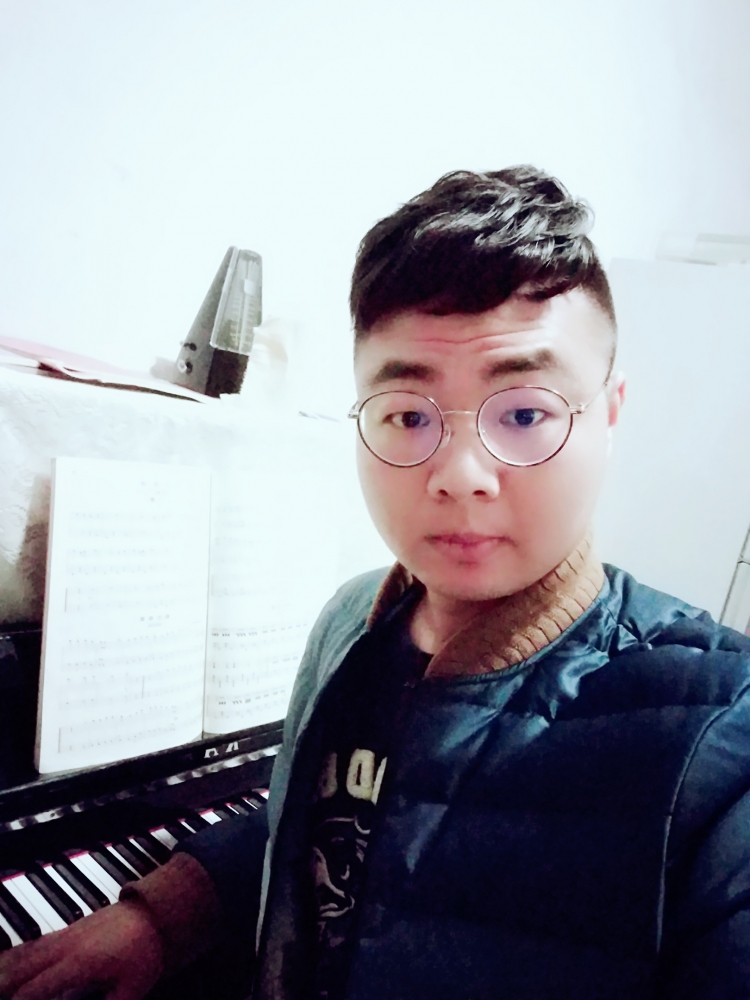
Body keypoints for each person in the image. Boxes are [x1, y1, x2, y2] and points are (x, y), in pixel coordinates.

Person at [2, 166, 750, 1000]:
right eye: (408, 416)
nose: (460, 474)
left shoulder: (725, 734)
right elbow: (320, 830)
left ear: (608, 412)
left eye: (524, 413)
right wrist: (164, 916)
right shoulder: (350, 619)